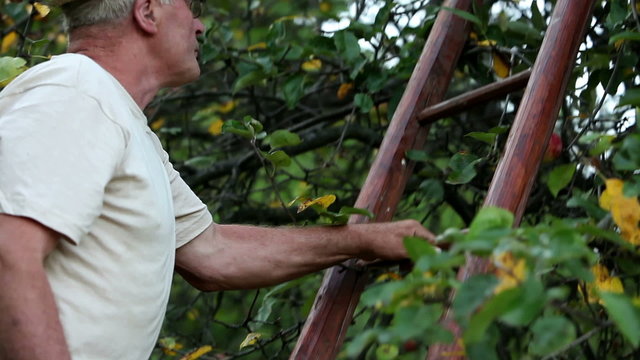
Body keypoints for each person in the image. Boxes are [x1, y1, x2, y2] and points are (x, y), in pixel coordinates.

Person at [0, 0, 433, 359]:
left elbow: (213, 252)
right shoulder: (78, 92)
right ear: (148, 12)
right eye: (194, 7)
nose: (201, 25)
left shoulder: (121, 121)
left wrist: (362, 241)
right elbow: (9, 250)